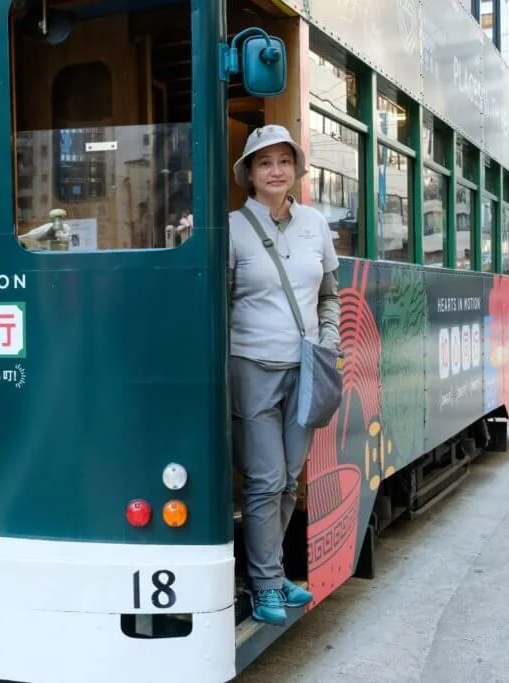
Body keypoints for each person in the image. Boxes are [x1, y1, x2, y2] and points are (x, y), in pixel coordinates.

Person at [172, 124, 340, 625]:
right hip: (252, 368)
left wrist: (329, 338)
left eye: (283, 161)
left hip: (308, 366)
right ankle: (265, 581)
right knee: (266, 478)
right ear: (249, 173)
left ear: (296, 169)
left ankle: (272, 572)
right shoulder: (232, 229)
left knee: (290, 478)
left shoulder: (314, 224)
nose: (275, 170)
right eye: (264, 162)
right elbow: (216, 305)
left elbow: (329, 293)